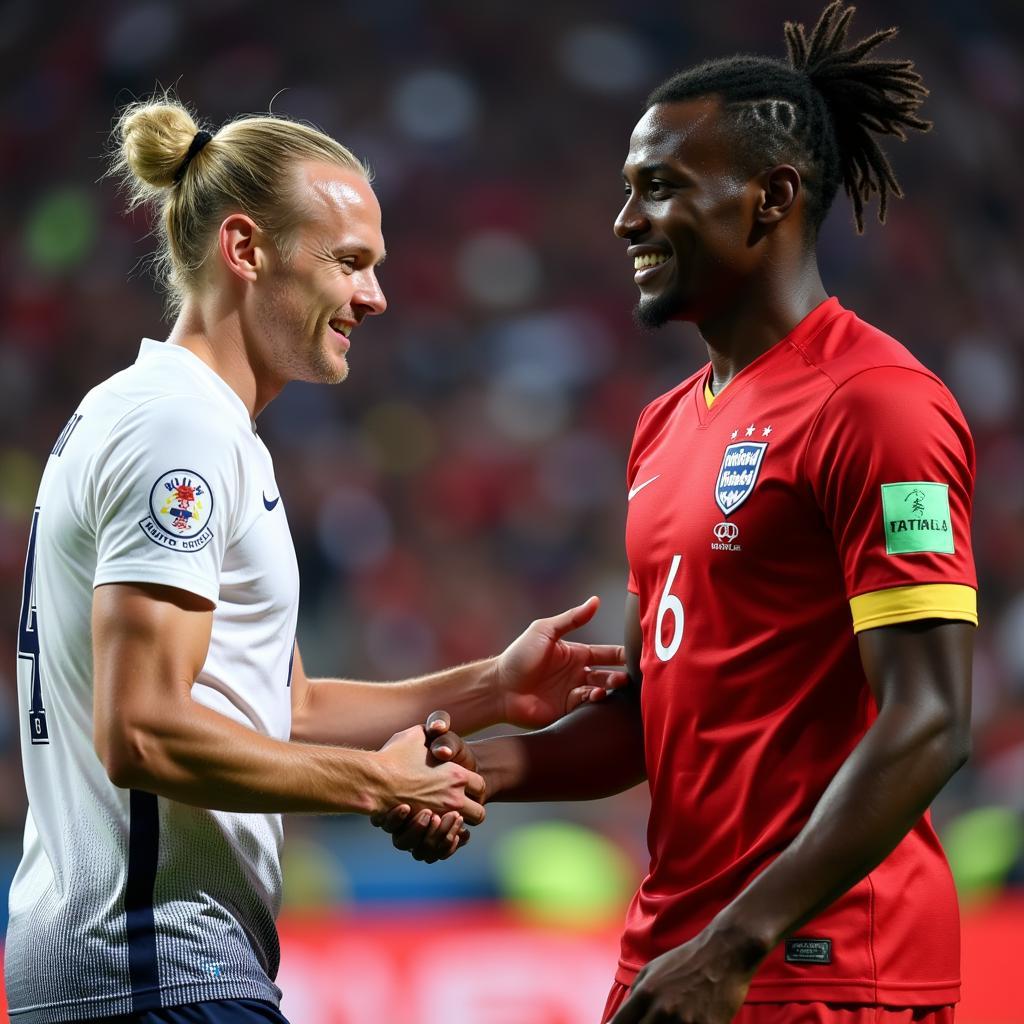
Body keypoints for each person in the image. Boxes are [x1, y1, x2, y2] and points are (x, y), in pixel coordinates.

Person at [377, 4, 978, 1023]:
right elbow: (648, 727)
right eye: (625, 191)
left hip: (820, 963)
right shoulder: (663, 427)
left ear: (770, 197)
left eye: (658, 187)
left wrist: (737, 941)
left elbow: (930, 719)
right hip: (679, 953)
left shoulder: (877, 404)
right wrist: (470, 775)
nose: (624, 221)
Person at [6, 97, 627, 1024]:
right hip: (151, 968)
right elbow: (141, 731)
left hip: (150, 969)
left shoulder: (195, 427)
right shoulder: (177, 431)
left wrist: (490, 690)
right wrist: (377, 782)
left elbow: (283, 710)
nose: (375, 296)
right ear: (246, 250)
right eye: (350, 262)